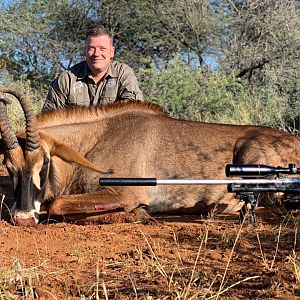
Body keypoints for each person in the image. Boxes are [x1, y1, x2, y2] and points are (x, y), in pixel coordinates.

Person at [42, 25, 144, 112]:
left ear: (112, 51)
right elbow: (49, 118)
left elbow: (134, 109)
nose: (96, 54)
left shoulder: (123, 73)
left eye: (102, 49)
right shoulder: (67, 79)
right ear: (85, 51)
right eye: (91, 48)